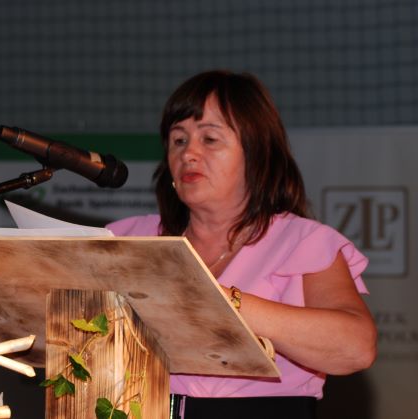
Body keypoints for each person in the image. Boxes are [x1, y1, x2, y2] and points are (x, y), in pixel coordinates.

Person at [106, 70, 377, 419]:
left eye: (210, 139)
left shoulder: (304, 243)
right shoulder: (128, 239)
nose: (189, 153)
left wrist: (224, 301)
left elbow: (357, 348)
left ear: (256, 153)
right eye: (178, 140)